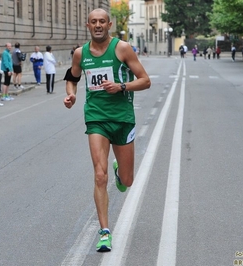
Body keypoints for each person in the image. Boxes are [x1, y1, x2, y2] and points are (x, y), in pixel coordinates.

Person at [63, 8, 151, 252]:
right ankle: (104, 232)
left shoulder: (122, 48)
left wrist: (121, 86)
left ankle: (119, 171)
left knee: (128, 180)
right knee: (99, 175)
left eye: (102, 21)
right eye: (94, 22)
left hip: (122, 118)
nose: (98, 25)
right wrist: (70, 95)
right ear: (88, 25)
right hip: (96, 118)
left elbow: (145, 80)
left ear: (109, 24)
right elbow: (72, 77)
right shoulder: (81, 53)